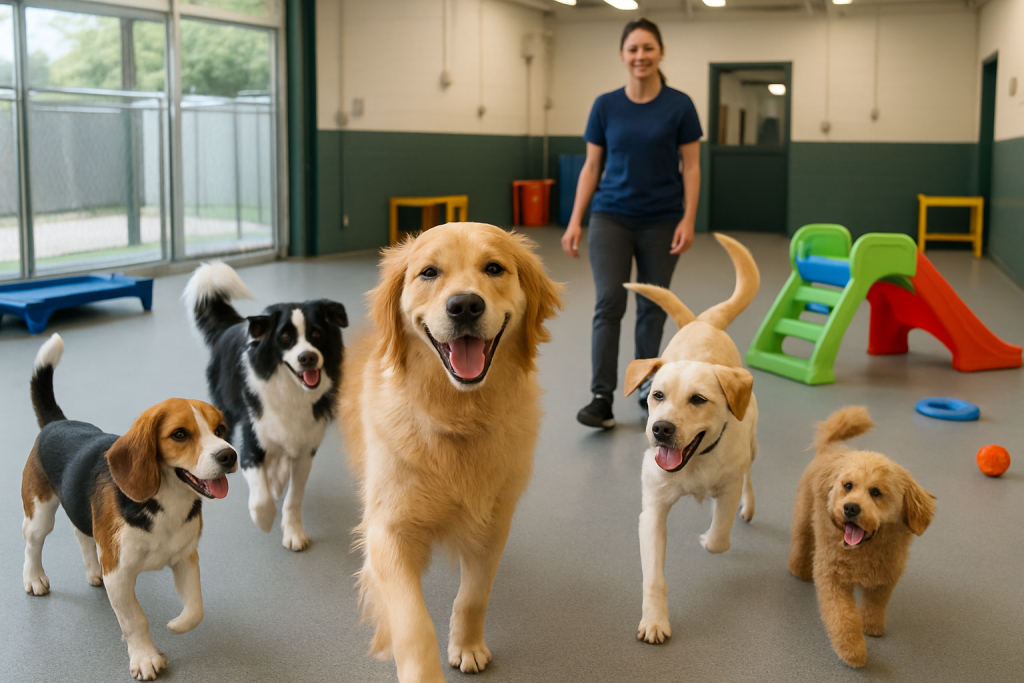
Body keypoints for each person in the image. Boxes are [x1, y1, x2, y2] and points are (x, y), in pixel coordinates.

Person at [561, 17, 702, 429]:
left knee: (653, 308)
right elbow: (591, 167)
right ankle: (601, 396)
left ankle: (647, 386)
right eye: (633, 49)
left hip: (662, 218)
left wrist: (688, 219)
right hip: (611, 218)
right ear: (623, 55)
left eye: (648, 48)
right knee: (609, 304)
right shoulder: (606, 105)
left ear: (660, 53)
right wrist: (575, 222)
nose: (640, 56)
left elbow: (691, 167)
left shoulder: (680, 105)